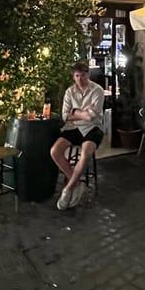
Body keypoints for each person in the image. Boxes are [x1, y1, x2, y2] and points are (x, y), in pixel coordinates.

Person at [50, 61, 105, 210]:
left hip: (93, 128)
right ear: (73, 77)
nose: (80, 79)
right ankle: (78, 183)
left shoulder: (97, 90)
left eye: (83, 75)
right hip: (73, 128)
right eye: (77, 76)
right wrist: (82, 113)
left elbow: (91, 117)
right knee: (54, 151)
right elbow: (64, 116)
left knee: (85, 153)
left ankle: (68, 189)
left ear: (88, 74)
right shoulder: (70, 92)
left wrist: (74, 111)